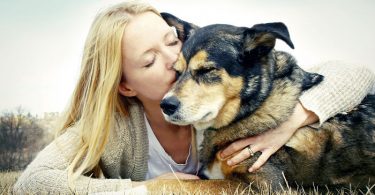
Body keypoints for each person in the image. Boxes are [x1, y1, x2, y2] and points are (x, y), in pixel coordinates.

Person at [13, 1, 375, 194]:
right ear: (125, 85)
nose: (174, 59)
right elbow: (31, 183)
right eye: (150, 60)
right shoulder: (116, 129)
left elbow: (355, 74)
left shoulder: (222, 99)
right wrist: (146, 190)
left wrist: (295, 119)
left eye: (172, 41)